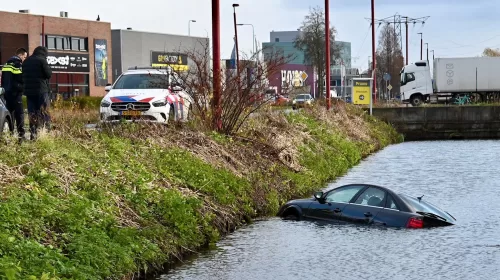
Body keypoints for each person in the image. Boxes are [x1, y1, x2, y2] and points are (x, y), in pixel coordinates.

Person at [22, 46, 52, 140]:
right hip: (41, 91)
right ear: (44, 53)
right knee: (44, 112)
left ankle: (33, 135)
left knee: (32, 113)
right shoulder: (42, 61)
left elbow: (23, 75)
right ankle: (45, 133)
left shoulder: (26, 61)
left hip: (29, 92)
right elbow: (48, 74)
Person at [1, 48, 28, 141]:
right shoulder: (18, 64)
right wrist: (22, 88)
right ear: (20, 55)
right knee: (19, 114)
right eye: (24, 57)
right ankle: (21, 136)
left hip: (6, 93)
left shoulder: (6, 64)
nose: (24, 59)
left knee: (9, 114)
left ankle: (10, 134)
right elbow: (20, 79)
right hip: (16, 93)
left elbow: (3, 80)